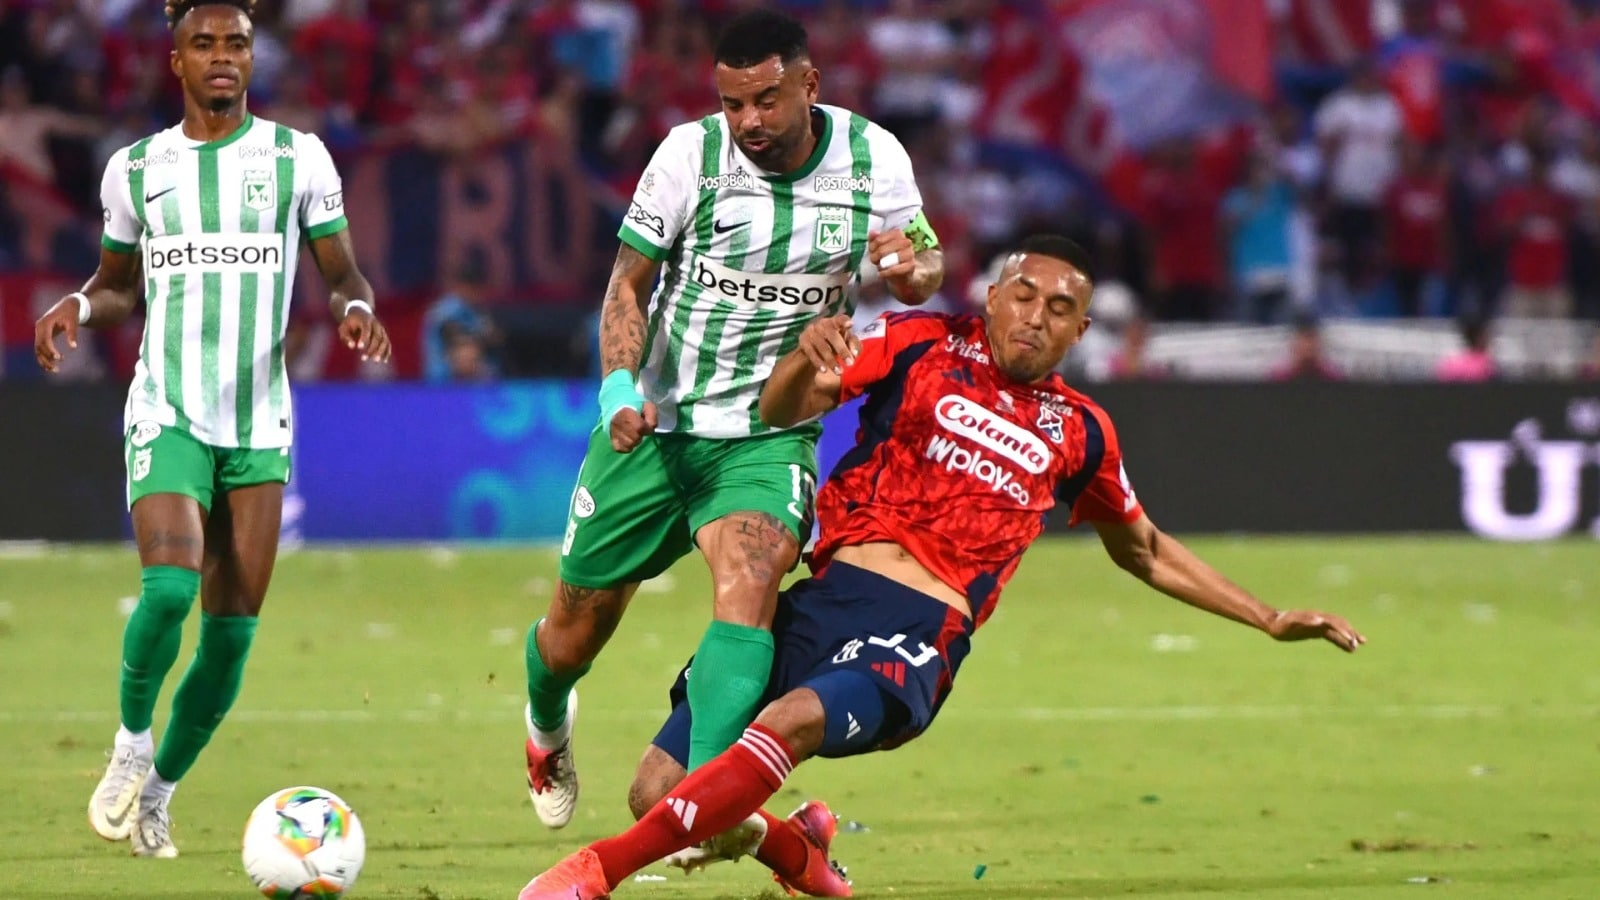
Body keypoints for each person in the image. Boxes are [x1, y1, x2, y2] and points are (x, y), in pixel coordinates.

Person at [517, 235, 1364, 899]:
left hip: (918, 633)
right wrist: (805, 363)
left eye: (1059, 307)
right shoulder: (921, 343)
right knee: (659, 790)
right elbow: (782, 411)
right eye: (1023, 295)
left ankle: (594, 876)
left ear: (1081, 329)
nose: (1035, 316)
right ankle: (795, 844)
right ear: (993, 296)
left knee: (793, 721)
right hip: (817, 602)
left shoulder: (1082, 432)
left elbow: (1141, 547)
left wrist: (1267, 617)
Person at [520, 8, 944, 830]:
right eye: (733, 104)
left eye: (766, 100)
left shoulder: (873, 158)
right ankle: (545, 726)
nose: (748, 121)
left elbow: (921, 261)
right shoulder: (688, 154)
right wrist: (616, 393)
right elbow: (627, 285)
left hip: (769, 432)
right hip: (660, 426)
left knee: (747, 588)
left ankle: (697, 806)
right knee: (572, 636)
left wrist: (912, 265)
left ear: (808, 85)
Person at [32, 0, 389, 859]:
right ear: (176, 61)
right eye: (205, 44)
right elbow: (121, 284)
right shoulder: (138, 168)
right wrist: (81, 303)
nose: (223, 57)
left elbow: (341, 271)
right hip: (169, 406)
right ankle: (128, 745)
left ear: (251, 55)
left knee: (230, 641)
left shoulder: (297, 157)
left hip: (258, 418)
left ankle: (159, 793)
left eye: (236, 43)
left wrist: (355, 310)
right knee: (167, 590)